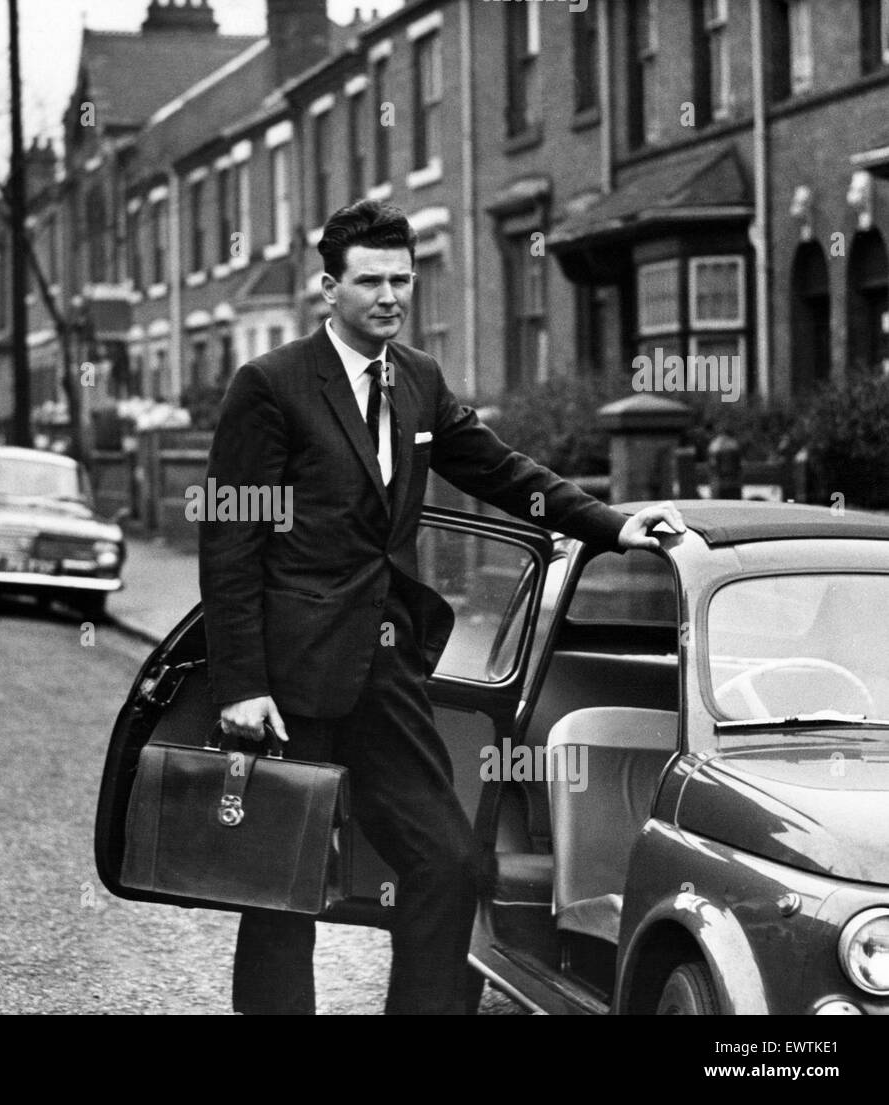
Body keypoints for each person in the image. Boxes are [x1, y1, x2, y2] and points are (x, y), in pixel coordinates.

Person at [198, 199, 684, 1015]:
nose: (390, 295)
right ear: (329, 288)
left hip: (384, 667)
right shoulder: (271, 386)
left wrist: (611, 522)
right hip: (288, 679)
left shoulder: (418, 379)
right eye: (370, 280)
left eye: (402, 279)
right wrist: (243, 681)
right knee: (283, 885)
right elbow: (231, 539)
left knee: (451, 861)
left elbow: (502, 470)